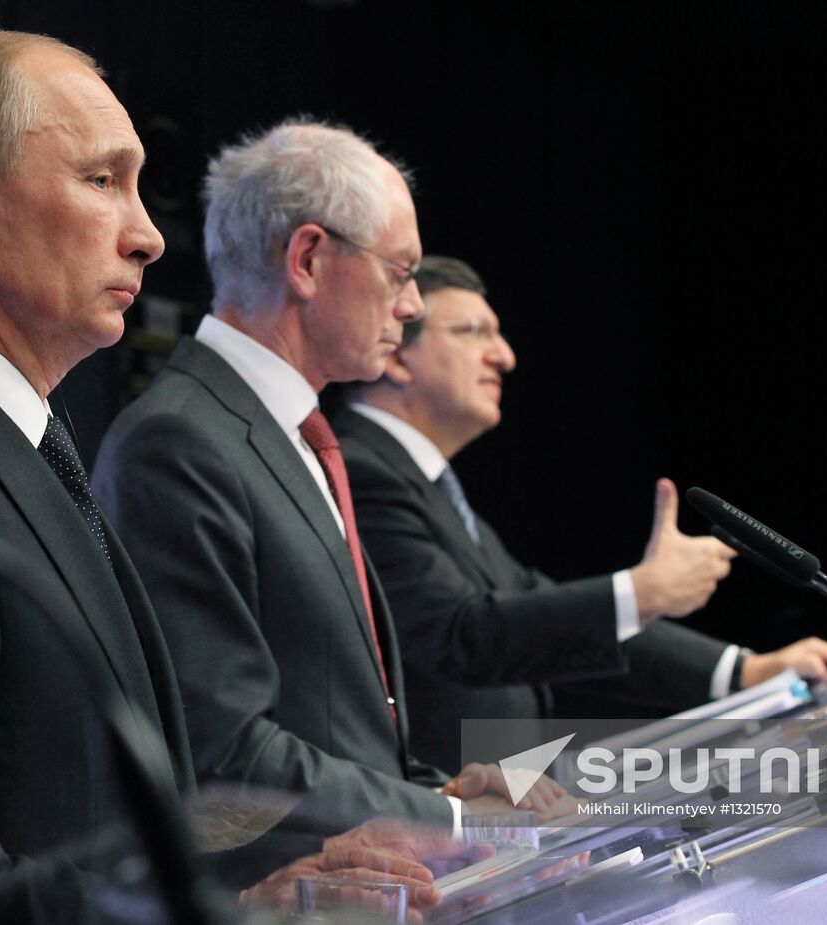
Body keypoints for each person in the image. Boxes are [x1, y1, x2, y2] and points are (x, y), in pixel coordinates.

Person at [0, 32, 449, 925]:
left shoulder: (5, 437)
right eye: (102, 179)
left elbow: (83, 810)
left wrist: (269, 869)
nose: (148, 235)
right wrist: (237, 913)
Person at [92, 121, 570, 886]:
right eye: (400, 272)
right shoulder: (178, 441)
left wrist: (434, 792)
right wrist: (449, 818)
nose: (411, 305)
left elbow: (338, 721)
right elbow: (222, 747)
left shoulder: (297, 434)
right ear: (309, 260)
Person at [332, 255, 827, 770]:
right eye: (473, 332)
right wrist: (641, 593)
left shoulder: (425, 488)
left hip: (501, 800)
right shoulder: (360, 473)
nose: (504, 356)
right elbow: (461, 635)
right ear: (396, 355)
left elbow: (539, 620)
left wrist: (745, 671)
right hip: (434, 808)